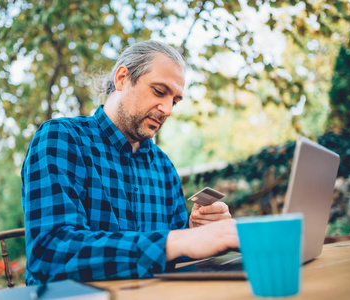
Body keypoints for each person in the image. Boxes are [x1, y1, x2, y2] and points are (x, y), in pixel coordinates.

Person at [21, 40, 239, 285]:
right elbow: (51, 253)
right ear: (122, 78)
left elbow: (172, 254)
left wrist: (199, 232)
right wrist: (178, 241)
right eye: (159, 91)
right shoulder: (62, 139)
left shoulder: (163, 167)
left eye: (175, 101)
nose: (167, 109)